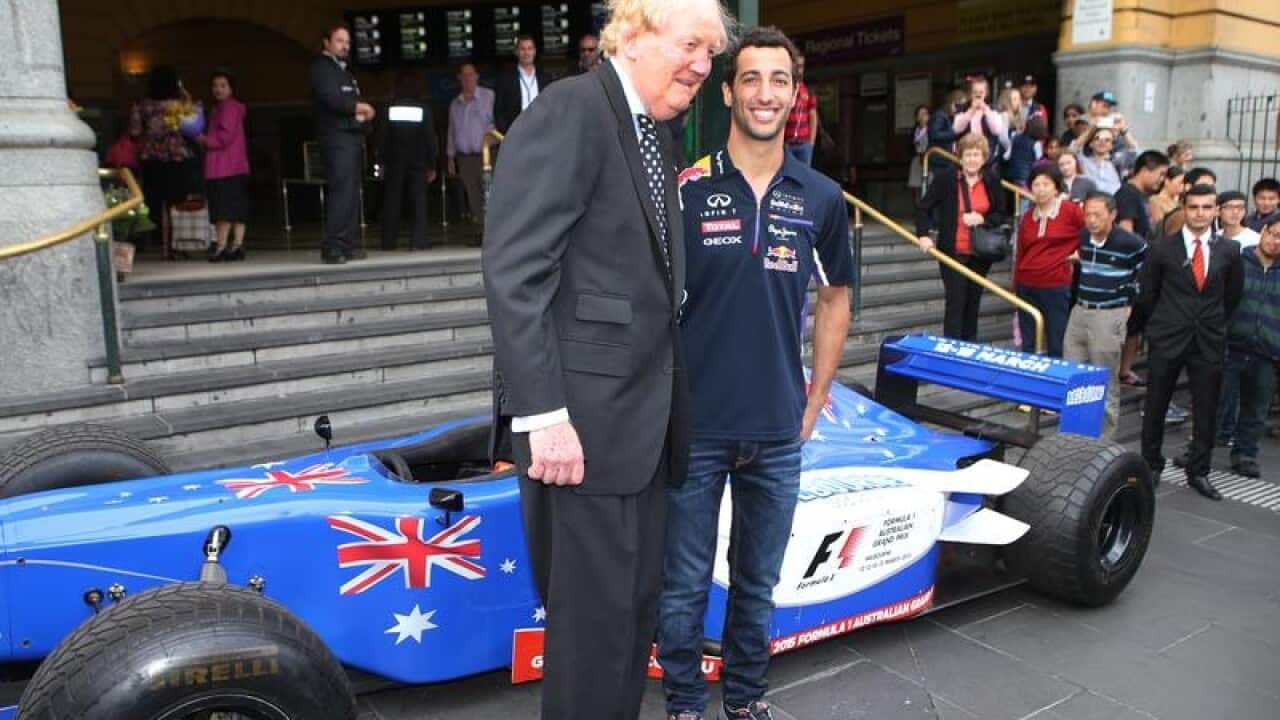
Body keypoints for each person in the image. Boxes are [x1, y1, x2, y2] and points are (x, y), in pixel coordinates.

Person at [480, 0, 730, 716]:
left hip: (639, 433)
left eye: (711, 53)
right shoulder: (572, 112)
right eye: (692, 46)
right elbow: (516, 272)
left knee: (628, 623)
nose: (702, 67)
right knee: (593, 637)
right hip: (580, 432)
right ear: (637, 31)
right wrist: (542, 414)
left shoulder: (653, 131)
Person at [660, 28, 853, 720]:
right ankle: (684, 704)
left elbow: (835, 298)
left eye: (779, 79)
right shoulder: (686, 188)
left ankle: (745, 702)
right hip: (696, 426)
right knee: (680, 585)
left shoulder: (822, 197)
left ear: (795, 94)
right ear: (728, 92)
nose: (765, 92)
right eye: (751, 79)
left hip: (776, 430)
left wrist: (818, 394)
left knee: (757, 584)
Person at [1136, 184, 1244, 500]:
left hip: (1208, 339)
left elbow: (1232, 296)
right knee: (1156, 404)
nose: (1200, 213)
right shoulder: (1161, 248)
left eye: (1206, 207)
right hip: (1167, 337)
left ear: (1216, 211)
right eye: (1194, 207)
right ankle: (1151, 464)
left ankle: (1198, 471)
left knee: (1206, 407)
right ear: (1184, 208)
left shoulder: (1229, 250)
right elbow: (1147, 295)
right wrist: (1163, 323)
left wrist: (1213, 323)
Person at [1065, 192, 1146, 438]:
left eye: (1097, 215)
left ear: (1113, 215)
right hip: (1080, 310)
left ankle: (1104, 437)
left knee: (1105, 377)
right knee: (1073, 374)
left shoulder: (1130, 243)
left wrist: (1130, 305)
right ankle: (1072, 432)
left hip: (1109, 313)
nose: (1091, 220)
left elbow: (1146, 275)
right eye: (1087, 214)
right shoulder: (1083, 238)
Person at [916, 133, 1008, 341]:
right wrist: (923, 234)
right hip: (952, 252)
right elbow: (924, 208)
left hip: (980, 252)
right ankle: (952, 351)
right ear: (960, 156)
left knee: (973, 303)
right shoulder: (946, 178)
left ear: (984, 158)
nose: (972, 159)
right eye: (968, 154)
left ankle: (969, 348)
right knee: (956, 303)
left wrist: (982, 218)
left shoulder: (992, 180)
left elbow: (1001, 213)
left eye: (977, 155)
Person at [1217, 217, 1280, 477]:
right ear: (1263, 231)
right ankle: (1199, 449)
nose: (1277, 242)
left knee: (1256, 407)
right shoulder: (1237, 262)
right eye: (1274, 234)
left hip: (1267, 350)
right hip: (1231, 345)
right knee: (1216, 401)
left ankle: (1246, 454)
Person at [310, 24, 376, 265]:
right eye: (339, 41)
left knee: (351, 192)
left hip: (351, 137)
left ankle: (346, 244)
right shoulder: (321, 68)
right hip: (336, 138)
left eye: (347, 42)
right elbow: (333, 99)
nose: (345, 45)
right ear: (326, 42)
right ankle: (333, 246)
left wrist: (362, 117)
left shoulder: (345, 71)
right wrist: (361, 108)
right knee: (341, 191)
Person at [1014, 165, 1085, 357]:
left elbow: (1091, 233)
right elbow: (1021, 252)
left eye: (1046, 184)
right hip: (1025, 283)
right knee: (1028, 340)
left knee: (1057, 338)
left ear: (1056, 187)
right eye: (1036, 184)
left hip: (1055, 283)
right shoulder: (1028, 216)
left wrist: (1080, 254)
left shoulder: (1071, 211)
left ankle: (1056, 382)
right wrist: (1015, 287)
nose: (1041, 189)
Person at [1210, 190, 1262, 447]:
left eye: (1240, 208)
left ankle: (1229, 429)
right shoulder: (1213, 238)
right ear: (1218, 210)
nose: (1235, 212)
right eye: (1229, 207)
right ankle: (1220, 428)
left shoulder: (1253, 240)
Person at [130, 65, 197, 259]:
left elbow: (134, 132)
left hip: (151, 156)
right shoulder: (179, 103)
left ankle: (165, 246)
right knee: (177, 201)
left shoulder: (142, 105)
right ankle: (179, 244)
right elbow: (193, 123)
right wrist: (183, 90)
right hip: (177, 154)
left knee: (158, 202)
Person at [379, 71, 437, 251]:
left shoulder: (390, 108)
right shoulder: (422, 109)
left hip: (395, 160)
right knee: (418, 201)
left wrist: (381, 161)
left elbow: (382, 137)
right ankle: (418, 241)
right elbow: (430, 137)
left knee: (392, 201)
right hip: (419, 160)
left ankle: (388, 242)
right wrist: (432, 164)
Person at [199, 70, 250, 262]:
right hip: (237, 166)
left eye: (223, 85)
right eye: (215, 86)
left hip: (223, 167)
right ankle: (237, 245)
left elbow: (224, 138)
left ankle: (220, 247)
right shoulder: (230, 107)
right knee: (237, 209)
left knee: (223, 210)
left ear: (231, 88)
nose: (218, 89)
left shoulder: (226, 108)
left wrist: (203, 139)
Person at [446, 62, 495, 238]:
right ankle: (481, 232)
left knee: (490, 196)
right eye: (464, 75)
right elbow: (451, 131)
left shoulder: (489, 97)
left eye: (471, 74)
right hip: (464, 158)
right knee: (473, 197)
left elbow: (496, 124)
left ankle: (494, 233)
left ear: (477, 76)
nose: (468, 79)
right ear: (459, 78)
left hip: (487, 157)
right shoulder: (455, 104)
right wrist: (451, 158)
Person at [494, 34, 551, 134]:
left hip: (541, 133)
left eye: (530, 48)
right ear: (516, 52)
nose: (526, 53)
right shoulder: (505, 79)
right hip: (516, 134)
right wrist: (508, 134)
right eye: (522, 49)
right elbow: (498, 112)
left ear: (535, 51)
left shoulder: (545, 79)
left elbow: (552, 107)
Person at [951, 76, 1005, 170]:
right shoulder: (962, 109)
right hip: (965, 158)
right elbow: (956, 129)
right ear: (970, 94)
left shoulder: (993, 109)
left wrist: (986, 110)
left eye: (981, 92)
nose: (978, 95)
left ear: (986, 93)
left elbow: (997, 130)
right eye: (975, 92)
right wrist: (970, 111)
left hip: (987, 160)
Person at [1114, 150, 1170, 239]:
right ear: (1144, 171)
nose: (1162, 179)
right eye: (1161, 174)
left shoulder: (1143, 195)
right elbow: (1125, 233)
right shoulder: (1127, 194)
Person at [783, 52, 818, 166]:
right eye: (796, 66)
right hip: (785, 143)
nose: (799, 69)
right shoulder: (784, 88)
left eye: (801, 66)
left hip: (803, 144)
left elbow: (813, 116)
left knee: (804, 178)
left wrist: (811, 142)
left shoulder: (808, 90)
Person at [927, 88, 966, 171]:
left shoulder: (949, 116)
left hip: (946, 158)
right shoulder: (940, 116)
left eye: (962, 107)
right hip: (940, 159)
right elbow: (935, 134)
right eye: (957, 106)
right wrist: (956, 134)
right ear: (951, 103)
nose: (959, 110)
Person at [1078, 125, 1122, 195]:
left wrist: (1124, 130)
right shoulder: (1082, 161)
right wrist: (1091, 128)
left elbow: (1135, 153)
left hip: (1112, 203)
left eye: (1107, 140)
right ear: (1091, 144)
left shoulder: (1117, 163)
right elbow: (1073, 149)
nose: (1102, 142)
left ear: (1111, 146)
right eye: (1097, 138)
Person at [1006, 115, 1048, 187]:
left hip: (1012, 174)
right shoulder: (1036, 143)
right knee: (1025, 196)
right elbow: (1039, 161)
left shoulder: (1015, 137)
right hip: (1027, 176)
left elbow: (1007, 156)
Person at [995, 86, 1025, 161]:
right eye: (1014, 99)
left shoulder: (1018, 117)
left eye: (1018, 98)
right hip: (1004, 153)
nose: (1018, 102)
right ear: (1007, 101)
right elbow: (1003, 137)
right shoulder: (1004, 115)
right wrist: (1010, 149)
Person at [908, 104, 930, 203]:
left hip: (928, 160)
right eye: (919, 114)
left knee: (928, 186)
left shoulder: (931, 129)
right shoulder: (914, 131)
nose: (922, 117)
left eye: (924, 114)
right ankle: (918, 211)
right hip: (917, 160)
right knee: (916, 187)